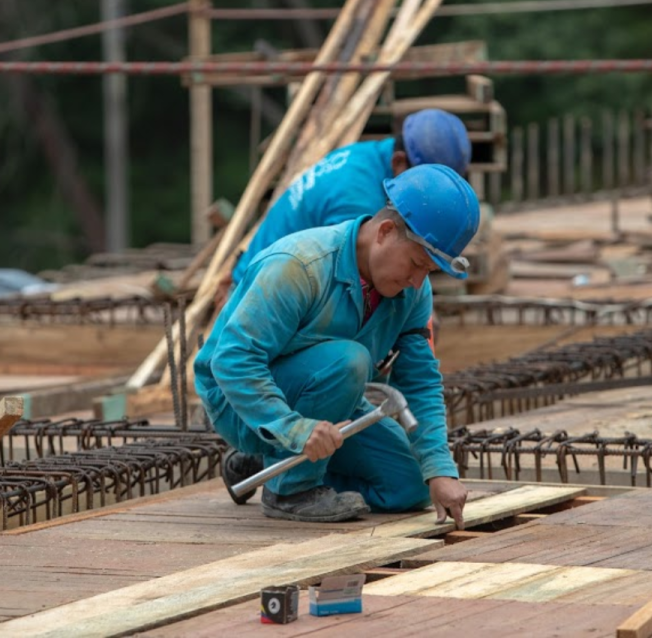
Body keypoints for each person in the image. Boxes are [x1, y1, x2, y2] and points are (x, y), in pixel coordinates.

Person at [195, 163, 480, 525]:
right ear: (386, 231)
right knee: (350, 360)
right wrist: (292, 428)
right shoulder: (299, 266)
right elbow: (232, 361)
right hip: (236, 402)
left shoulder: (413, 290)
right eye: (416, 263)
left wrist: (441, 469)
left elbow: (419, 380)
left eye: (430, 271)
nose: (417, 281)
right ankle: (290, 489)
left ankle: (273, 460)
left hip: (327, 394)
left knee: (410, 485)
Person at [215, 108, 472, 317]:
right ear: (398, 162)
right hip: (256, 299)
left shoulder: (367, 157)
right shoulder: (357, 196)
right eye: (425, 186)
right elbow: (349, 284)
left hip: (279, 283)